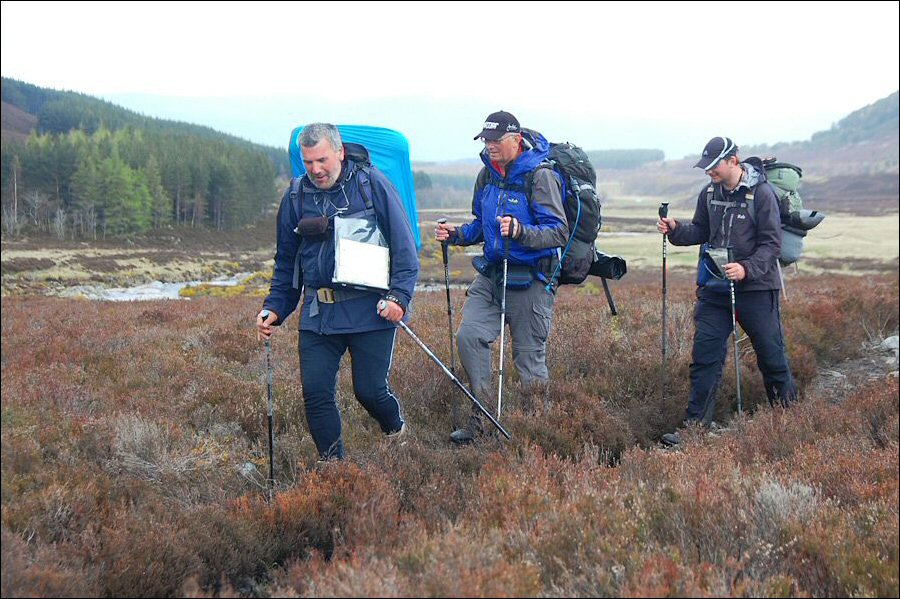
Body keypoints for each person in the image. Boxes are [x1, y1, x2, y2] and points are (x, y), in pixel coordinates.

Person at [257, 123, 419, 461]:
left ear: (340, 152)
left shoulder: (371, 184)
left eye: (322, 160)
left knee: (369, 391)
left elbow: (405, 249)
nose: (315, 169)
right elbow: (286, 262)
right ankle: (335, 470)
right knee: (315, 395)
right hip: (319, 315)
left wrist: (399, 298)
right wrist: (275, 307)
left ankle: (395, 430)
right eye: (308, 162)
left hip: (371, 310)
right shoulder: (296, 195)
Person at [435, 111, 568, 444]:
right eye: (486, 140)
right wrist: (457, 235)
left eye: (496, 140)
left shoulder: (540, 177)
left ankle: (538, 435)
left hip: (532, 280)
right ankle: (482, 420)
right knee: (469, 337)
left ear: (515, 139)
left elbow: (558, 232)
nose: (490, 146)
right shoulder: (486, 175)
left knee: (528, 359)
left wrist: (522, 231)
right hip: (493, 274)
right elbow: (482, 224)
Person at [657, 136, 797, 446]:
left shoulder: (762, 194)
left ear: (733, 160)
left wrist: (747, 268)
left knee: (771, 357)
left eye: (713, 166)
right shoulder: (708, 193)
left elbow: (771, 244)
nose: (708, 172)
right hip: (715, 289)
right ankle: (694, 431)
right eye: (705, 167)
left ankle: (790, 423)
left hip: (757, 289)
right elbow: (701, 230)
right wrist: (676, 229)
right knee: (704, 358)